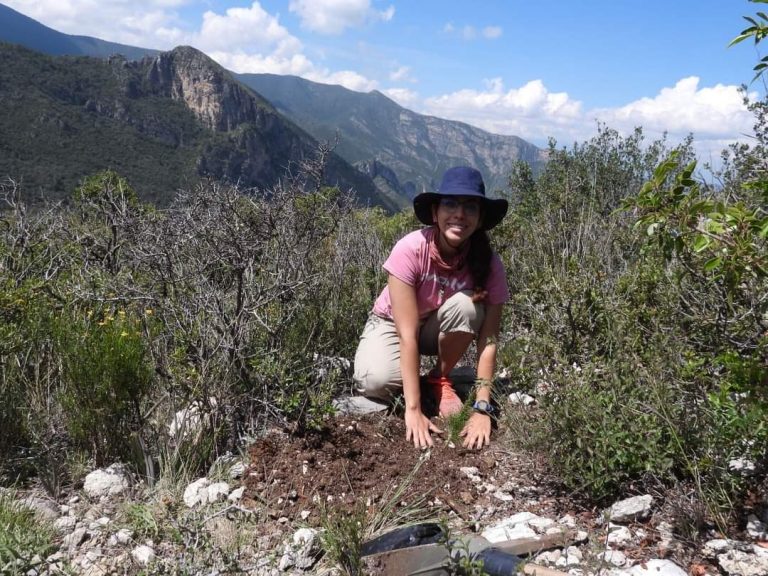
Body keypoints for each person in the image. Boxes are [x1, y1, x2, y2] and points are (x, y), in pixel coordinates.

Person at [353, 166, 509, 450]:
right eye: (450, 204)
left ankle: (439, 378)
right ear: (435, 212)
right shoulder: (411, 249)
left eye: (470, 207)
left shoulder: (489, 265)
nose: (459, 214)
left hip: (436, 324)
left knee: (469, 306)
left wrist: (482, 407)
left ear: (480, 219)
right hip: (393, 324)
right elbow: (407, 334)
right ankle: (417, 385)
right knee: (376, 381)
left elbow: (489, 340)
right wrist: (413, 410)